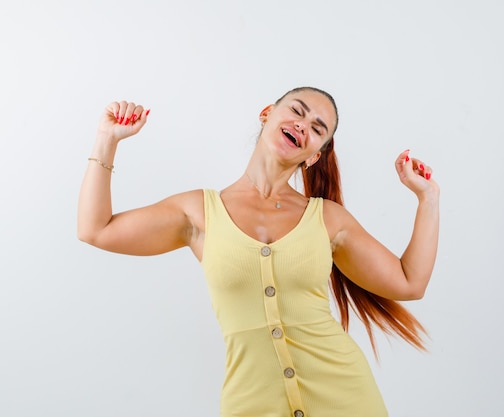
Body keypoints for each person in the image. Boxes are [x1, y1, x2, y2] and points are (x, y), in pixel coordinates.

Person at [77, 86, 440, 417]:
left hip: (346, 399)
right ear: (267, 113)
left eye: (317, 129)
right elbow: (96, 229)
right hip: (251, 405)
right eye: (297, 111)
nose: (303, 126)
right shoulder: (198, 212)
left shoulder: (327, 220)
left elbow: (410, 282)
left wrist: (428, 197)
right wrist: (107, 139)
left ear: (315, 156)